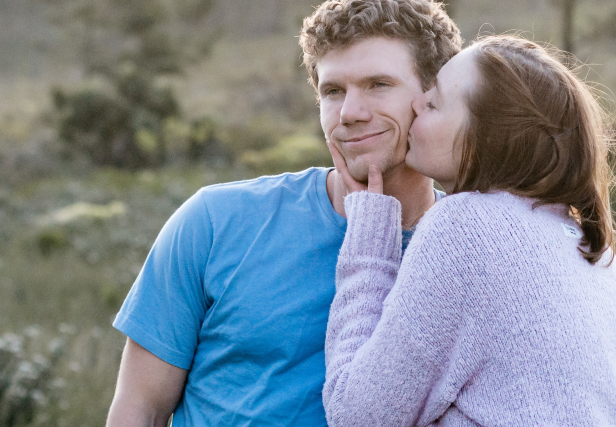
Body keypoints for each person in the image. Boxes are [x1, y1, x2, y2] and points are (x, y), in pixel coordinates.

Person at [104, 1, 461, 426]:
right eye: (333, 91)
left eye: (378, 84)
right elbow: (139, 408)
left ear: (435, 97)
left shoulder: (470, 253)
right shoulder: (215, 221)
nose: (350, 113)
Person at [323, 35, 616, 426]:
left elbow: (357, 415)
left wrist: (370, 241)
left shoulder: (466, 227)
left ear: (483, 138)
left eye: (433, 103)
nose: (415, 105)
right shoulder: (595, 254)